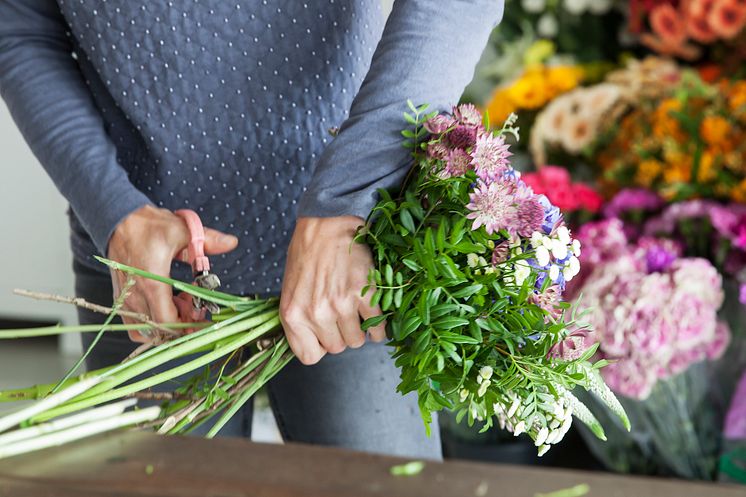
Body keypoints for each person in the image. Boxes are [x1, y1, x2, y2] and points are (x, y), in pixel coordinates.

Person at [0, 0, 503, 458]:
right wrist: (112, 210)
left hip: (353, 259)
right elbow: (18, 30)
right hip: (146, 268)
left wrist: (348, 201)